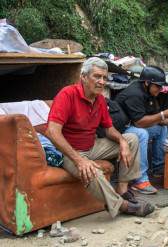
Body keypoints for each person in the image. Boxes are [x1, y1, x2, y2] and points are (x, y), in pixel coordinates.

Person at [46, 57, 154, 217]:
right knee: (91, 170)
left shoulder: (100, 99)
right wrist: (80, 160)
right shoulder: (67, 94)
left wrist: (122, 141)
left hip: (92, 146)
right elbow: (52, 132)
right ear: (83, 76)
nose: (102, 81)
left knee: (131, 138)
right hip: (69, 153)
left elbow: (109, 129)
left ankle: (123, 190)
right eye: (97, 76)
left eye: (104, 78)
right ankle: (123, 205)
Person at [114, 66, 168, 194]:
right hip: (118, 130)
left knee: (161, 128)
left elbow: (154, 117)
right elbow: (140, 122)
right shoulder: (134, 94)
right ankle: (139, 180)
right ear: (147, 83)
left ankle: (158, 166)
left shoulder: (150, 92)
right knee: (142, 134)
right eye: (158, 86)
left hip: (132, 125)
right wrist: (163, 114)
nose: (160, 89)